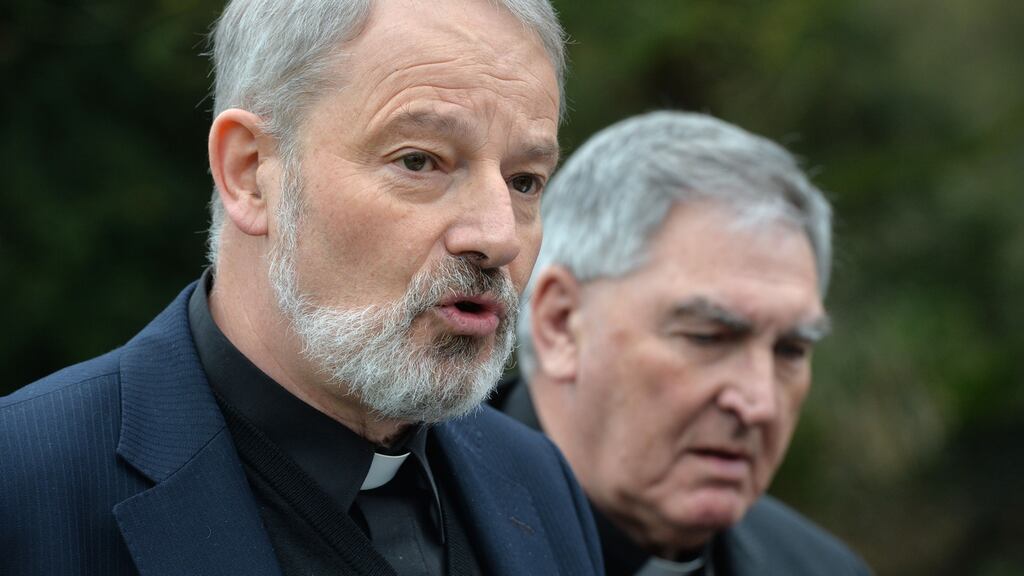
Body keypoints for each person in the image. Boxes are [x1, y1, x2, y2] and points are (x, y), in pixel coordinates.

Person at [0, 1, 605, 575]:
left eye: (525, 181)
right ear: (249, 173)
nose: (499, 236)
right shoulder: (24, 484)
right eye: (420, 161)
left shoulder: (542, 484)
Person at [492, 111, 873, 575]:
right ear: (561, 324)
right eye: (709, 337)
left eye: (790, 350)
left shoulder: (821, 569)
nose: (759, 403)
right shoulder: (415, 527)